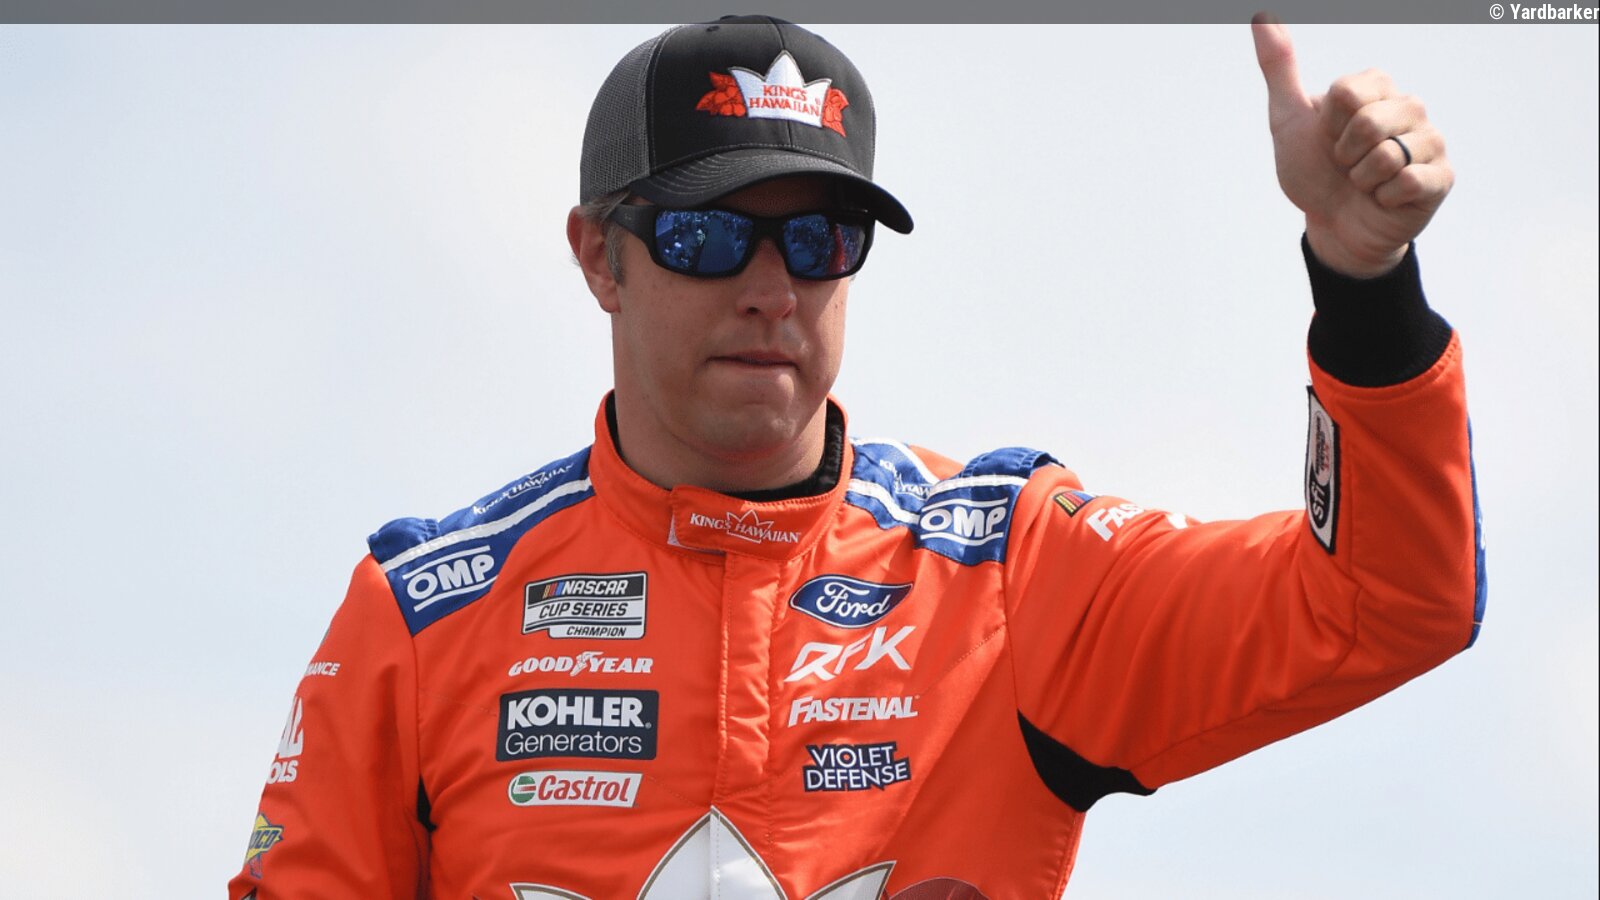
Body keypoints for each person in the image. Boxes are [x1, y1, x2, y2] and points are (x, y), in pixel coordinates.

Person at [229, 15, 1483, 899]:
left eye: (820, 239)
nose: (770, 289)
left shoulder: (1007, 573)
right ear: (598, 256)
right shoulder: (422, 616)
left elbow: (1386, 604)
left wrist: (1362, 282)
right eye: (707, 236)